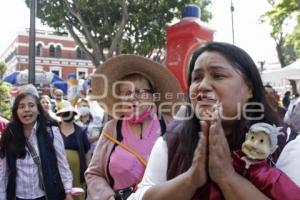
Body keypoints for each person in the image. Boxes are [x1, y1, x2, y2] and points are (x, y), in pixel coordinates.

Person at [128, 42, 300, 200]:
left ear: (249, 89)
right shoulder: (172, 140)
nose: (202, 85)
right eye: (196, 78)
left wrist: (227, 176)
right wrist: (191, 179)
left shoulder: (286, 143)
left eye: (217, 75)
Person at [85, 54, 182, 200]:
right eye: (126, 93)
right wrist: (108, 197)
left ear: (152, 96)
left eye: (139, 92)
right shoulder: (111, 129)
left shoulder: (171, 126)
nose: (132, 97)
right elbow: (93, 173)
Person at [0, 92, 73, 200]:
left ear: (38, 110)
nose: (26, 109)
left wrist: (68, 191)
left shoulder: (51, 132)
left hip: (46, 195)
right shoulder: (9, 134)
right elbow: (4, 171)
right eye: (21, 106)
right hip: (17, 196)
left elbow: (62, 164)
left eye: (31, 105)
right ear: (16, 111)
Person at [56, 101, 91, 200]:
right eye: (65, 113)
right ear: (61, 115)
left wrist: (87, 171)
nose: (67, 115)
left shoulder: (81, 131)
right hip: (59, 172)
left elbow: (87, 152)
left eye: (69, 112)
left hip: (78, 172)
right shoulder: (55, 131)